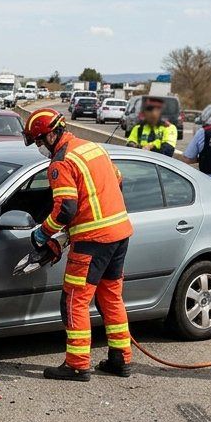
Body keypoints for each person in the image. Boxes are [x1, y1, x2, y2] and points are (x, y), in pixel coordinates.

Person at [23, 108, 134, 381]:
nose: (39, 147)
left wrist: (43, 234)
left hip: (92, 241)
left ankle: (77, 364)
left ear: (51, 135)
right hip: (119, 234)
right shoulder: (93, 148)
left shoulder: (61, 163)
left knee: (74, 300)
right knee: (110, 296)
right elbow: (118, 182)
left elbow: (65, 209)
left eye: (38, 141)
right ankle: (120, 359)